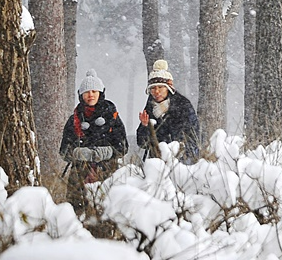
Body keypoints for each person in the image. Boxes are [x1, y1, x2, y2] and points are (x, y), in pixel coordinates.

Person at [60, 69, 128, 212]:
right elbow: (64, 150)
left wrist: (108, 152)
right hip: (79, 174)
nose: (90, 95)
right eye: (87, 92)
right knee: (77, 209)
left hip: (108, 172)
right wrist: (77, 153)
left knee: (108, 209)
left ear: (100, 94)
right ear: (81, 95)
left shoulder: (112, 116)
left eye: (94, 91)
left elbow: (123, 147)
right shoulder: (74, 120)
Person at [136, 59, 200, 161]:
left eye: (160, 87)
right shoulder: (149, 109)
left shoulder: (183, 106)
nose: (156, 91)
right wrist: (144, 127)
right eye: (153, 88)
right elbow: (142, 143)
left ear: (168, 88)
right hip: (157, 163)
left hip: (182, 161)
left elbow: (193, 137)